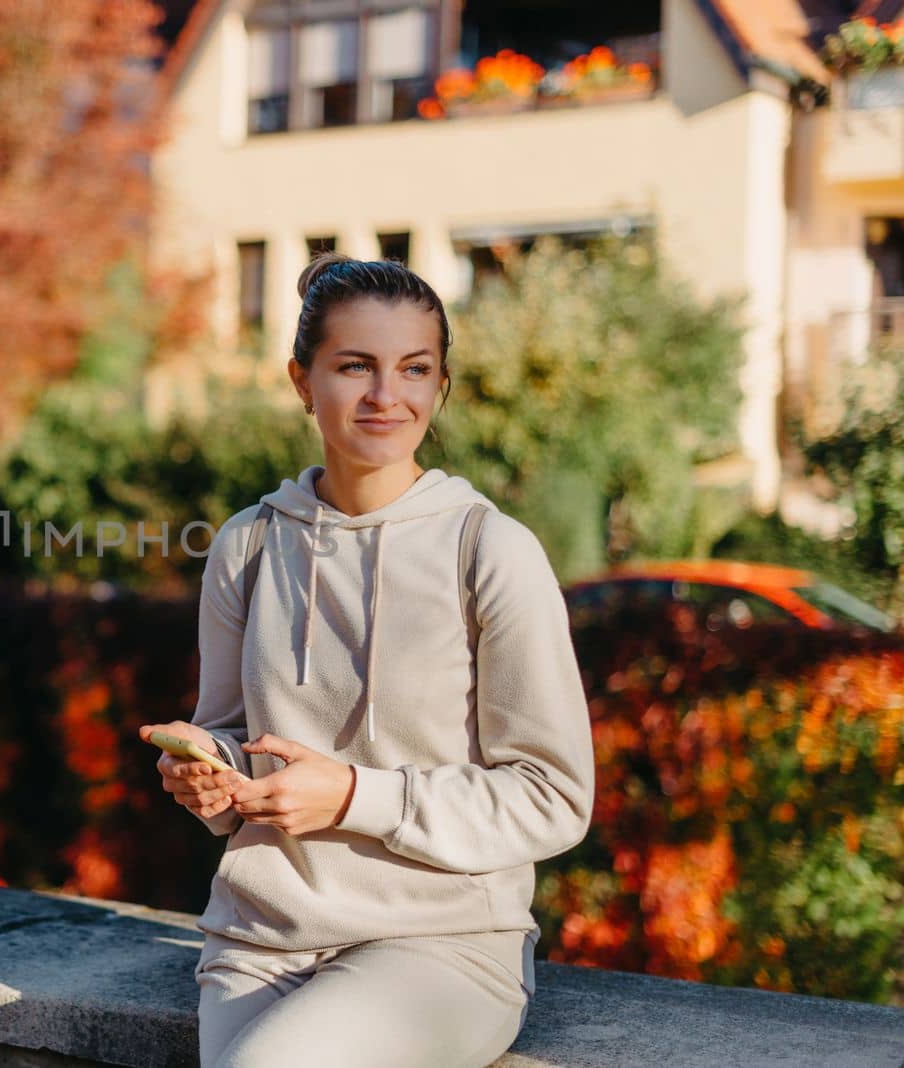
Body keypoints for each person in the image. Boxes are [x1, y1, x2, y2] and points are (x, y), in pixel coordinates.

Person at [138, 253, 596, 1067]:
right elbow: (236, 739)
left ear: (441, 387)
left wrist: (353, 796)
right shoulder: (247, 544)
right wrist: (211, 772)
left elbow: (553, 797)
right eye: (356, 366)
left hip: (441, 945)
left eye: (415, 369)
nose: (389, 396)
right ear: (301, 381)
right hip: (260, 940)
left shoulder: (487, 549)